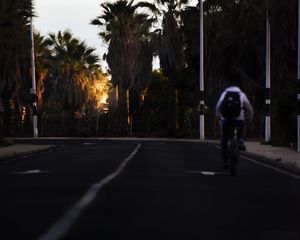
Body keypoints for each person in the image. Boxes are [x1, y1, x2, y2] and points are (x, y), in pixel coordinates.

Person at [216, 84, 253, 169]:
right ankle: (240, 140)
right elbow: (248, 106)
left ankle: (225, 161)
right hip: (239, 118)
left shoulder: (224, 94)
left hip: (226, 119)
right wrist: (250, 116)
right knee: (242, 124)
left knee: (224, 139)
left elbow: (218, 106)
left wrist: (218, 116)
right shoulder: (241, 94)